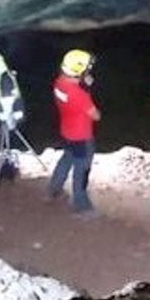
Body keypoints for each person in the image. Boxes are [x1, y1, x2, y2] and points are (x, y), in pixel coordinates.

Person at [46, 48, 100, 213]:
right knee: (81, 170)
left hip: (66, 132)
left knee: (66, 159)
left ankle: (53, 189)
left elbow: (71, 97)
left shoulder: (59, 83)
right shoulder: (79, 94)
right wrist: (88, 89)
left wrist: (83, 84)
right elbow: (96, 115)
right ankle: (81, 204)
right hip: (82, 136)